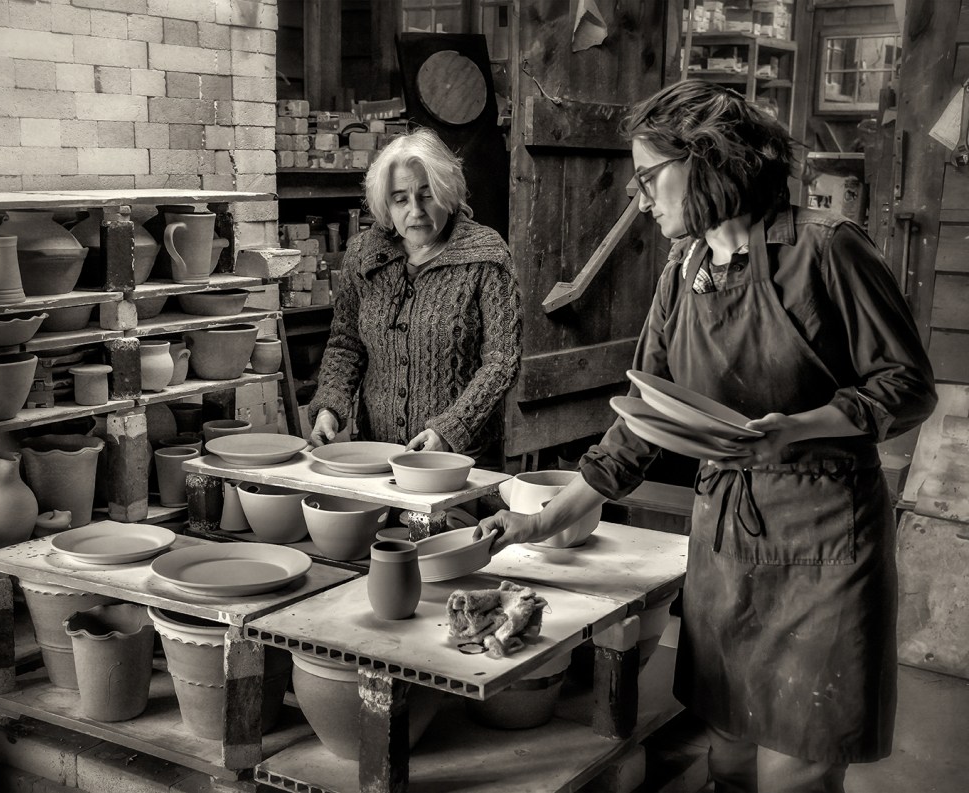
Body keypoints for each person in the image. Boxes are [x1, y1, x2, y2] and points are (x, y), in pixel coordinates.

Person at [479, 80, 937, 792]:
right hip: (725, 541)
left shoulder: (826, 250)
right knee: (727, 755)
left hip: (824, 539)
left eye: (648, 178)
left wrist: (800, 429)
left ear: (707, 159)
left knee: (796, 766)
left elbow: (907, 385)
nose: (641, 201)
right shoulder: (683, 271)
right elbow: (639, 424)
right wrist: (539, 521)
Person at [307, 127, 522, 467]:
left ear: (447, 192)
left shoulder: (486, 255)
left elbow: (502, 361)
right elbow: (346, 345)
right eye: (400, 199)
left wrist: (450, 430)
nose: (415, 211)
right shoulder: (364, 254)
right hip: (375, 456)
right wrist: (329, 408)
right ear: (386, 204)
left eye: (427, 195)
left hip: (461, 460)